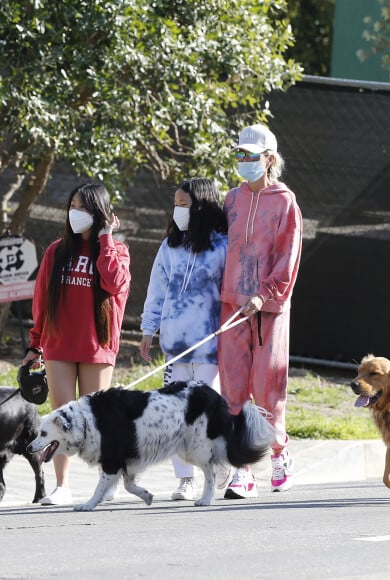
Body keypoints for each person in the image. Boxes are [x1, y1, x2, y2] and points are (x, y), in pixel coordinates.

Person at [22, 182, 131, 506]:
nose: (75, 213)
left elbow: (114, 283)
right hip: (58, 346)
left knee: (98, 418)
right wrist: (35, 345)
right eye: (73, 206)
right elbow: (41, 300)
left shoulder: (116, 250)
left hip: (97, 346)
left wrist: (106, 237)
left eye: (83, 208)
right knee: (60, 419)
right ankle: (62, 486)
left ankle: (108, 482)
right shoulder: (56, 250)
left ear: (99, 213)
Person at [218, 124, 302, 499]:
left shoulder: (285, 201)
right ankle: (242, 470)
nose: (243, 161)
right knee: (233, 389)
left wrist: (265, 294)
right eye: (240, 154)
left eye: (251, 155)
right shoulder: (231, 199)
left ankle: (279, 452)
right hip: (231, 307)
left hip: (268, 311)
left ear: (269, 159)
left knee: (267, 387)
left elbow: (289, 255)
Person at [139, 177, 229, 500]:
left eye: (184, 204)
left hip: (208, 347)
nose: (177, 210)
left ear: (202, 206)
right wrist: (148, 328)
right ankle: (185, 479)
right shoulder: (170, 246)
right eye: (175, 204)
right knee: (175, 412)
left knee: (206, 410)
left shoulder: (222, 246)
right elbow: (156, 289)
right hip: (175, 346)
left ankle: (217, 464)